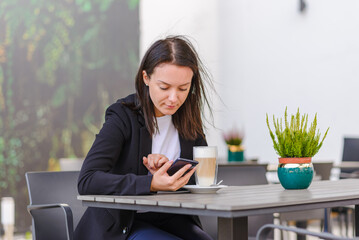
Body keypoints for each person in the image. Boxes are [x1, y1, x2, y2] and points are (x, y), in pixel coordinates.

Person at [74, 35, 214, 240]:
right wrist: (149, 183)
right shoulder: (122, 116)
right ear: (146, 78)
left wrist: (169, 172)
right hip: (125, 224)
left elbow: (197, 180)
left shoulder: (188, 119)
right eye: (164, 87)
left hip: (172, 219)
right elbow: (88, 180)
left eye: (183, 88)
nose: (174, 98)